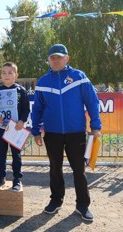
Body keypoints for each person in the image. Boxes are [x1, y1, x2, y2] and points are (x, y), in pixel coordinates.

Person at [31, 44, 101, 222]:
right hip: (52, 133)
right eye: (52, 57)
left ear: (67, 58)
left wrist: (96, 126)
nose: (55, 60)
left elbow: (92, 102)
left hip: (76, 132)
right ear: (48, 60)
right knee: (55, 168)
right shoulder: (43, 82)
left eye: (59, 57)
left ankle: (82, 205)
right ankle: (56, 200)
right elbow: (37, 109)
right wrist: (36, 131)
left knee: (79, 170)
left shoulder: (79, 77)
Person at [0, 62, 30, 191]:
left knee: (16, 155)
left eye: (10, 72)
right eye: (4, 72)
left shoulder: (21, 91)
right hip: (2, 128)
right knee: (1, 154)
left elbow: (26, 109)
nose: (6, 75)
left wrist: (22, 121)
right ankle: (1, 178)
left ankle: (17, 180)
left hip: (15, 128)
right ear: (1, 75)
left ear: (16, 75)